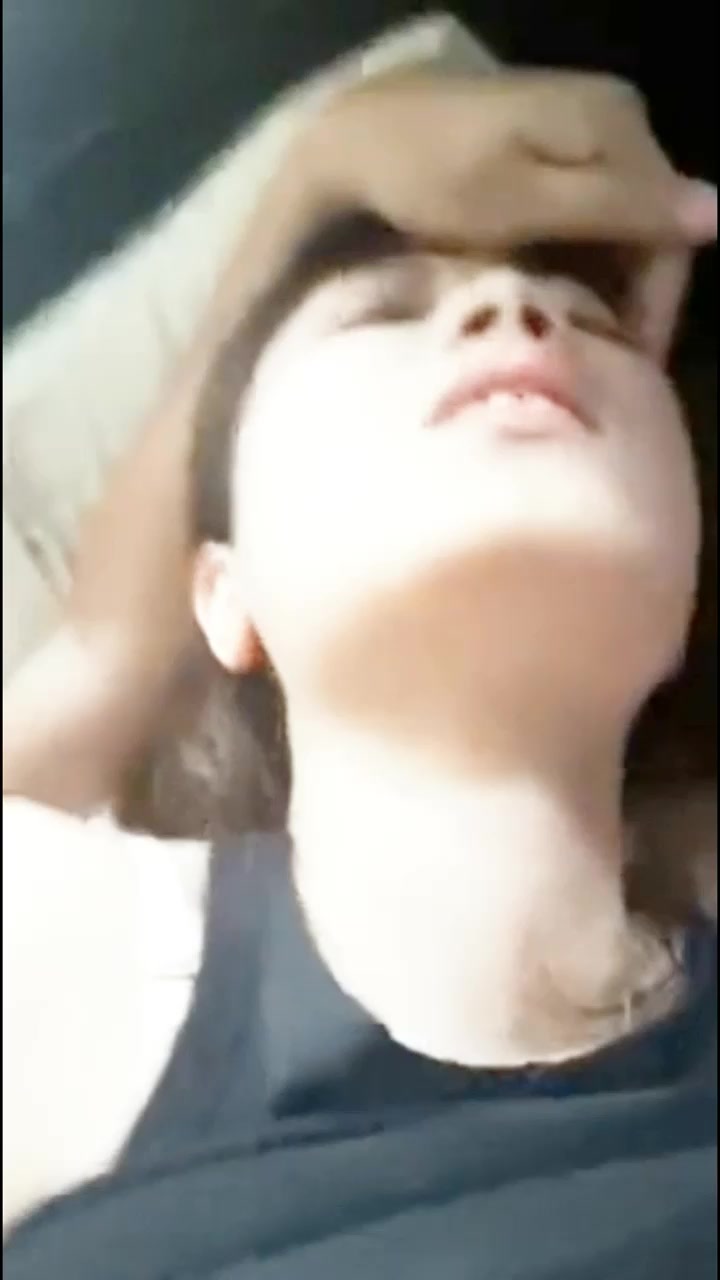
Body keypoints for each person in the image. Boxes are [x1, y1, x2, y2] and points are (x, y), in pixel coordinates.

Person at [3, 70, 717, 1277]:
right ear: (221, 590)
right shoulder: (59, 974)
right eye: (382, 315)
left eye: (593, 325)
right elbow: (99, 654)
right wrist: (318, 170)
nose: (513, 312)